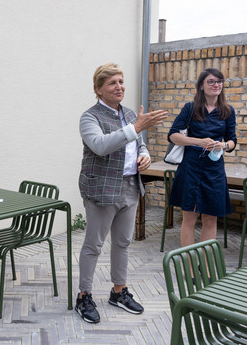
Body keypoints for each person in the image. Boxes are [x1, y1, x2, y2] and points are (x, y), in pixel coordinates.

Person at [76, 63, 168, 323]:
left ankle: (119, 291)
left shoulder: (129, 114)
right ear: (98, 89)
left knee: (123, 242)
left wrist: (145, 154)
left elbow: (139, 144)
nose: (119, 86)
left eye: (121, 81)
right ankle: (84, 296)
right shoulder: (89, 117)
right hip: (102, 188)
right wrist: (137, 127)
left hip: (130, 186)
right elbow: (100, 146)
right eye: (112, 83)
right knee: (93, 245)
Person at [168, 68, 237, 250]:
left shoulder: (228, 111)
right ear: (201, 86)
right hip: (190, 168)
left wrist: (223, 145)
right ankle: (188, 262)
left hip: (214, 171)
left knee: (210, 218)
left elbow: (232, 141)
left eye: (219, 81)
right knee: (189, 218)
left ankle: (205, 265)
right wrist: (198, 142)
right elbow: (173, 135)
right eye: (211, 81)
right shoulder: (190, 108)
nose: (216, 85)